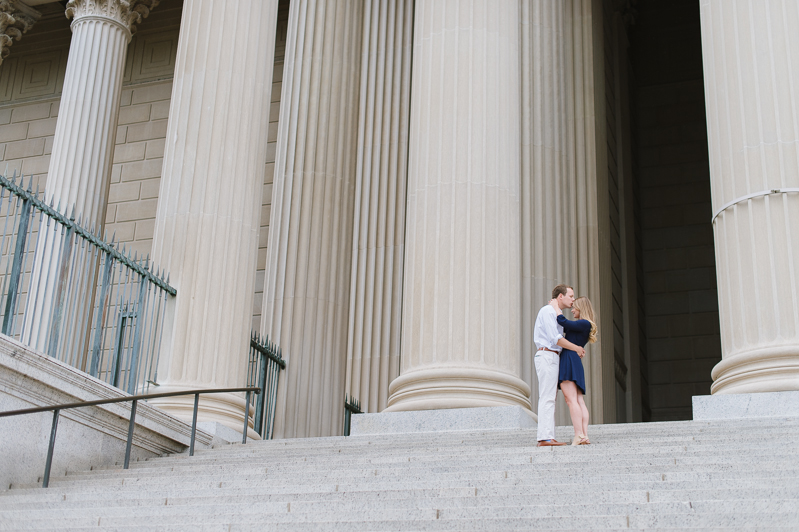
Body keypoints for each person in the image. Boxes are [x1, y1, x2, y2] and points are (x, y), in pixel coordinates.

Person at [533, 284, 585, 447]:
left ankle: (548, 436)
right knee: (547, 396)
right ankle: (545, 437)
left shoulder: (555, 313)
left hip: (553, 356)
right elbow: (555, 338)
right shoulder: (548, 311)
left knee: (550, 397)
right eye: (571, 296)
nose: (573, 300)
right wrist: (576, 348)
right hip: (547, 354)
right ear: (560, 297)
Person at [550, 296, 598, 445]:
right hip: (574, 360)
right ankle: (583, 435)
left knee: (571, 400)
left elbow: (563, 322)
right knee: (578, 400)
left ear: (581, 308)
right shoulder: (584, 325)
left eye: (574, 307)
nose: (572, 310)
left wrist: (555, 307)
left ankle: (579, 435)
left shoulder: (584, 323)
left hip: (569, 359)